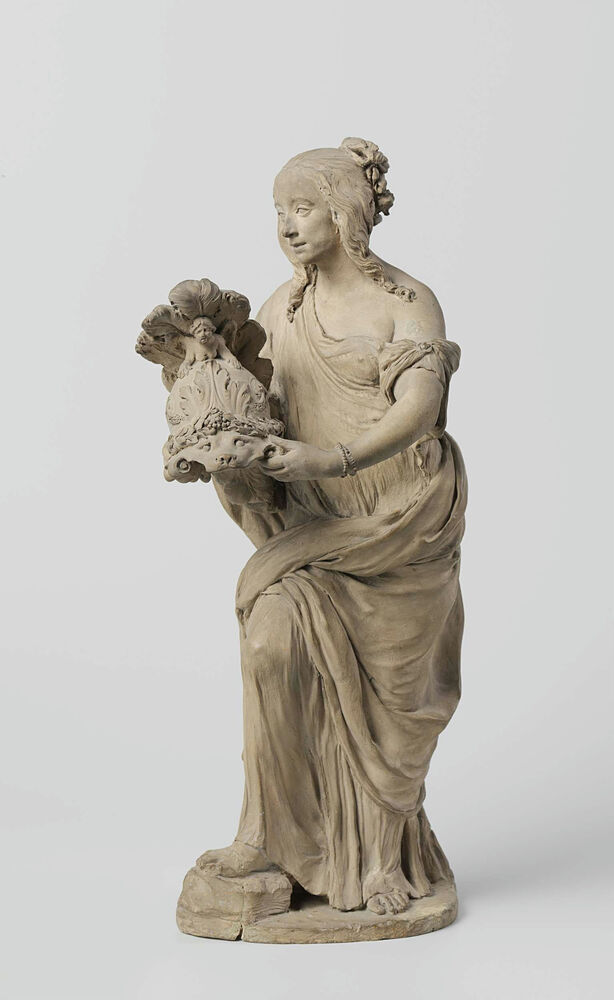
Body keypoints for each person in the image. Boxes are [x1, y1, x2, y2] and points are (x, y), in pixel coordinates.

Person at [199, 137, 467, 917]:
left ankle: (383, 857)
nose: (287, 225)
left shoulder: (407, 302)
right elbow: (263, 416)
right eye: (279, 211)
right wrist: (216, 425)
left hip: (400, 526)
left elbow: (420, 409)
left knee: (390, 705)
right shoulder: (280, 311)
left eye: (303, 208)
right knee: (270, 647)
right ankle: (265, 837)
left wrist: (335, 458)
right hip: (313, 531)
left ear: (346, 215)